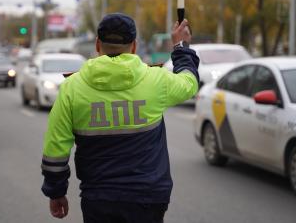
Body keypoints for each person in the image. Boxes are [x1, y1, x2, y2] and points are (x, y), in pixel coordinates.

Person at [41, 13, 199, 223]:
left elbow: (55, 149)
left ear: (98, 44)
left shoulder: (72, 88)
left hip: (98, 199)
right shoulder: (157, 81)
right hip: (149, 197)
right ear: (134, 46)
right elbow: (189, 83)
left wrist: (56, 192)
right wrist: (180, 45)